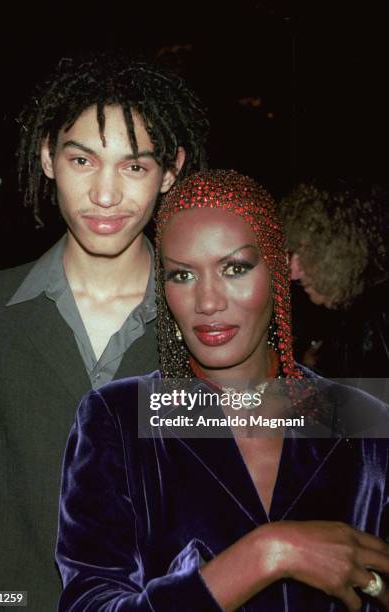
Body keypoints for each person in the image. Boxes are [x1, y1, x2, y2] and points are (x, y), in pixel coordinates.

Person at [57, 170, 389, 611]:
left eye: (235, 269)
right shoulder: (118, 419)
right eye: (182, 276)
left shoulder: (359, 417)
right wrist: (267, 553)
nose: (209, 302)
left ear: (276, 271)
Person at [0, 52, 208, 610]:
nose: (106, 195)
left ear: (170, 171)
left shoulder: (208, 326)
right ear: (48, 156)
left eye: (134, 166)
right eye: (83, 161)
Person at [279, 183, 389, 378]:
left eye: (307, 253)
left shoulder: (378, 325)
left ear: (347, 252)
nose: (291, 272)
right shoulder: (347, 314)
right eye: (291, 251)